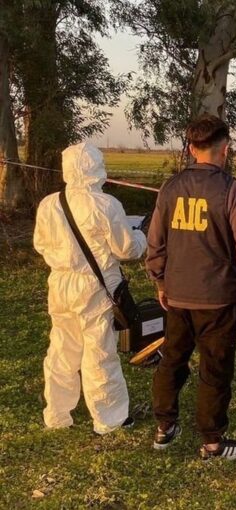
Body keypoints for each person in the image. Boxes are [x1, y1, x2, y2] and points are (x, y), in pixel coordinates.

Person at [145, 114, 236, 460]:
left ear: (190, 148)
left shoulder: (170, 188)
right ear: (225, 149)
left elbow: (155, 242)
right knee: (214, 369)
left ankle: (164, 426)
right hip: (218, 300)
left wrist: (159, 279)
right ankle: (213, 443)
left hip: (177, 296)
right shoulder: (231, 190)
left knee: (172, 359)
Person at [33, 142, 147, 434]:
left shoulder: (50, 203)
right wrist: (141, 236)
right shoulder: (106, 204)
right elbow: (126, 249)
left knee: (61, 348)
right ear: (97, 167)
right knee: (99, 352)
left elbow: (41, 244)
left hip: (60, 283)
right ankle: (108, 418)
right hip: (95, 287)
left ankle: (57, 414)